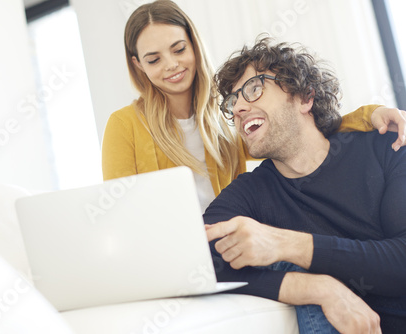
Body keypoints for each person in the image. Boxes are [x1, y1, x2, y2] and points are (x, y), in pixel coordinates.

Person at [102, 0, 406, 213]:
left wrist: (371, 115)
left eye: (179, 49)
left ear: (194, 45)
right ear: (138, 65)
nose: (171, 65)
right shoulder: (124, 125)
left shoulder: (229, 118)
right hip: (172, 258)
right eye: (154, 59)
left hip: (230, 252)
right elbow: (123, 215)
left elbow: (294, 129)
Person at [205, 37, 406, 333]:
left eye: (254, 89)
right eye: (233, 102)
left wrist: (287, 244)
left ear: (304, 97)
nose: (238, 109)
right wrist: (316, 287)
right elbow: (199, 262)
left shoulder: (388, 146)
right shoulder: (250, 192)